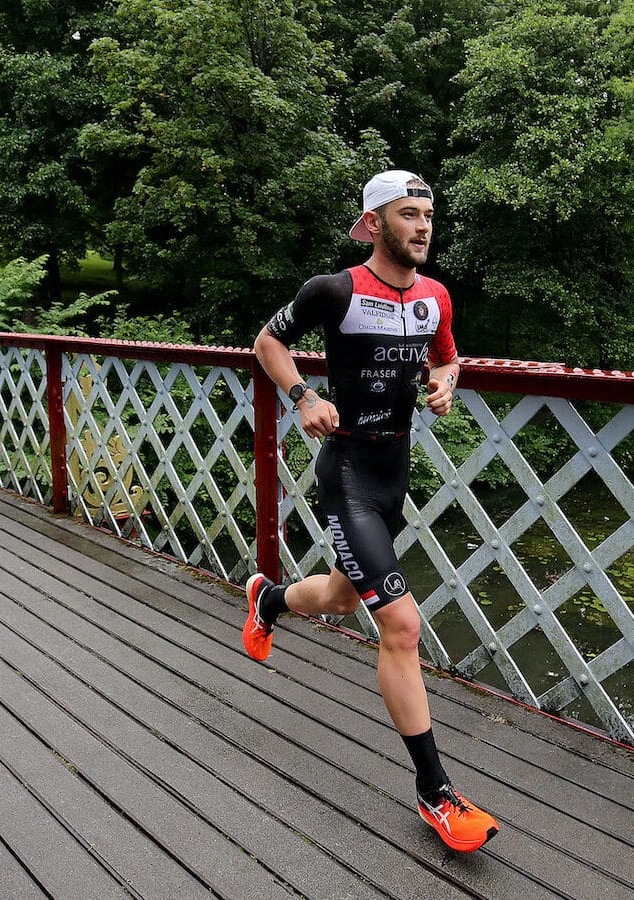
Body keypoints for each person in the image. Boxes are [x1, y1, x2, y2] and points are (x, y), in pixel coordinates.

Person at [244, 170, 500, 853]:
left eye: (429, 215)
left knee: (342, 594)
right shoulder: (333, 289)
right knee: (401, 624)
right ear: (374, 223)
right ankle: (435, 791)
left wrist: (444, 385)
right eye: (409, 214)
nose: (423, 226)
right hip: (349, 470)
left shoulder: (436, 297)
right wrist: (303, 396)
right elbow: (267, 343)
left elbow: (447, 361)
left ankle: (268, 602)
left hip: (395, 471)